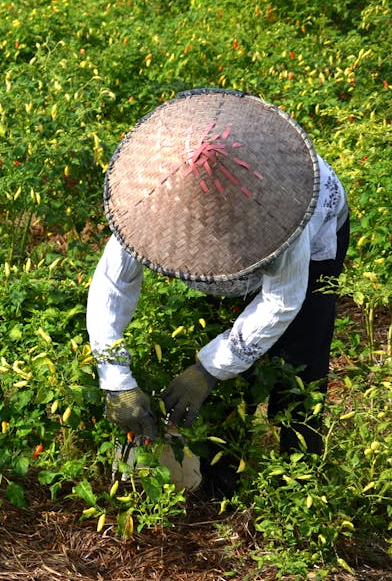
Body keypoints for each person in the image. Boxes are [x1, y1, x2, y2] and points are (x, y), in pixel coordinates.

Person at [86, 88, 349, 496]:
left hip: (313, 235)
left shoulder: (285, 209)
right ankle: (219, 475)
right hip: (207, 202)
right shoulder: (150, 197)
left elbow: (282, 301)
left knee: (299, 358)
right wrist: (116, 379)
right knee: (223, 337)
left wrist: (209, 369)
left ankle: (300, 480)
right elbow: (113, 284)